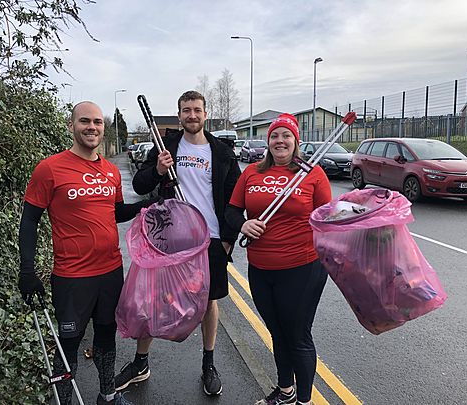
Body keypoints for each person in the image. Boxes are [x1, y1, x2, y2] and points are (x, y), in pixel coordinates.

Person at [18, 101, 155, 405]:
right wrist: (26, 270)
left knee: (106, 338)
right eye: (84, 121)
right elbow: (29, 220)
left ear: (103, 128)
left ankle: (107, 394)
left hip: (109, 273)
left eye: (97, 122)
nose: (91, 127)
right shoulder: (49, 168)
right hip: (72, 277)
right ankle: (64, 401)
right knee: (68, 345)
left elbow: (115, 212)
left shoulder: (109, 171)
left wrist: (144, 206)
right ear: (71, 126)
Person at [114, 90, 241, 396]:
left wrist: (226, 241)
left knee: (208, 302)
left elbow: (236, 201)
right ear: (180, 114)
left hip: (208, 240)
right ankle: (141, 362)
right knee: (153, 298)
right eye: (186, 110)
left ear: (205, 113)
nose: (192, 115)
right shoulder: (165, 146)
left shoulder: (221, 153)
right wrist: (158, 169)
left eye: (197, 110)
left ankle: (208, 363)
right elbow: (140, 184)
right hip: (168, 239)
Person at [225, 113, 332, 405]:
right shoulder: (252, 173)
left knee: (297, 335)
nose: (280, 140)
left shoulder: (312, 173)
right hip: (260, 269)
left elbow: (329, 219)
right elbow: (232, 211)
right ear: (268, 140)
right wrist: (243, 224)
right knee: (277, 332)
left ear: (295, 141)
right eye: (275, 136)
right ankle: (286, 392)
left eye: (286, 136)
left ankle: (304, 401)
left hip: (302, 267)